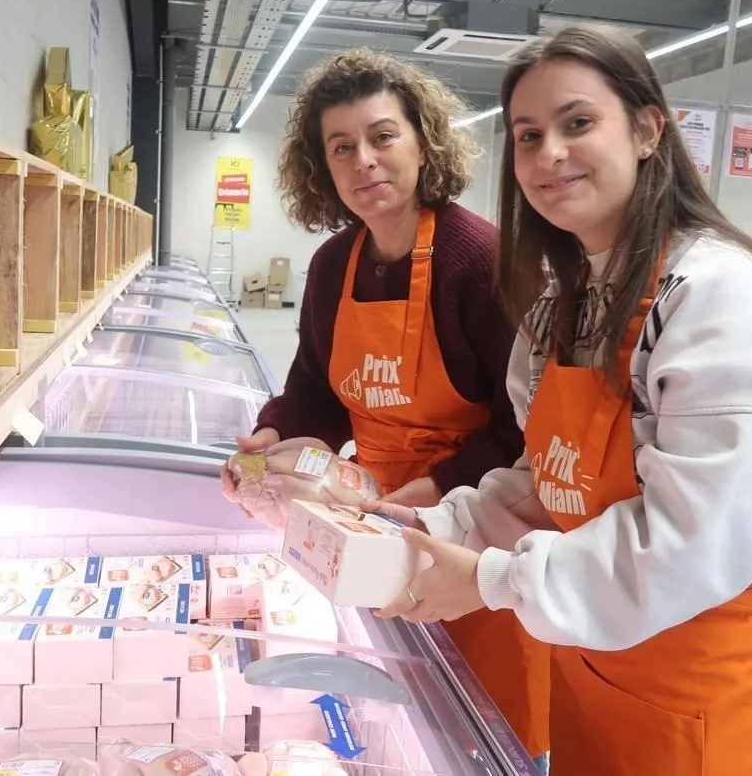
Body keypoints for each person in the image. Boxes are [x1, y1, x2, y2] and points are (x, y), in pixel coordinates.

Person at [368, 25, 752, 775]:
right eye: (528, 135)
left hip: (708, 686)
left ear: (646, 129)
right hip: (594, 662)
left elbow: (696, 537)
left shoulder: (723, 297)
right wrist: (447, 524)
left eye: (577, 123)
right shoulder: (562, 304)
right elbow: (552, 479)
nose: (548, 154)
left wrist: (493, 579)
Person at [223, 49, 551, 764]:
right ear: (321, 167)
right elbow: (316, 390)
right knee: (404, 720)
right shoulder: (331, 267)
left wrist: (431, 491)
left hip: (478, 534)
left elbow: (525, 429)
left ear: (423, 143)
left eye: (382, 136)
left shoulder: (481, 262)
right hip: (374, 525)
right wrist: (272, 437)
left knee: (484, 736)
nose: (364, 161)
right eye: (341, 147)